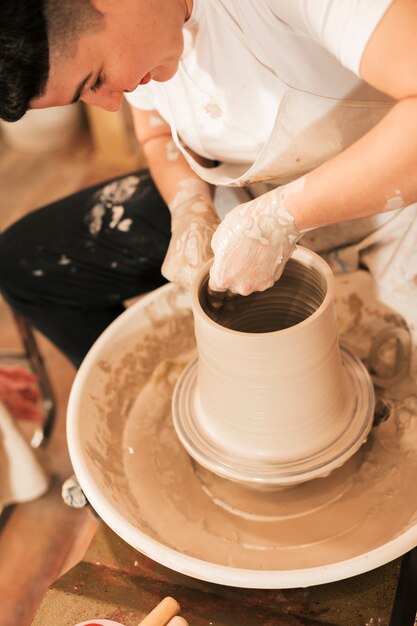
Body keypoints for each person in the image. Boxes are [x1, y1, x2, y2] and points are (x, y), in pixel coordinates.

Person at [0, 0, 416, 367]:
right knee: (24, 263)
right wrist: (189, 208)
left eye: (94, 80)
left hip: (397, 206)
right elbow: (158, 135)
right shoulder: (144, 24)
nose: (109, 104)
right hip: (250, 199)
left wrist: (281, 218)